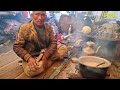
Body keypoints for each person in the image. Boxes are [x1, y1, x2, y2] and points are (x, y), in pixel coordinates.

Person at [13, 11, 68, 77]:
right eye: (37, 14)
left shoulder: (48, 27)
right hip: (33, 57)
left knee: (63, 48)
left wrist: (46, 55)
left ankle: (45, 62)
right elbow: (17, 46)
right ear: (32, 15)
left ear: (45, 16)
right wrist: (29, 58)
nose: (40, 18)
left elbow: (53, 42)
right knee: (31, 71)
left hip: (46, 53)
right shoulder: (24, 28)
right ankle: (47, 62)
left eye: (43, 15)